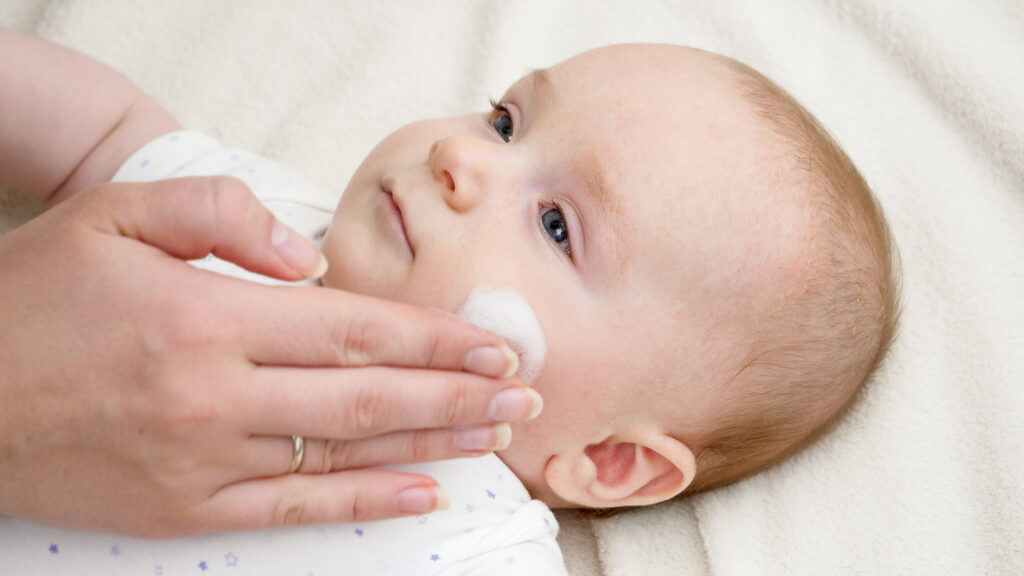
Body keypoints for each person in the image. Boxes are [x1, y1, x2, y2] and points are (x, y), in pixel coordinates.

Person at [0, 31, 901, 575]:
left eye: (556, 224)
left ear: (611, 460)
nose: (460, 158)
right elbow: (104, 134)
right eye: (506, 121)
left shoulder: (473, 544)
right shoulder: (262, 221)